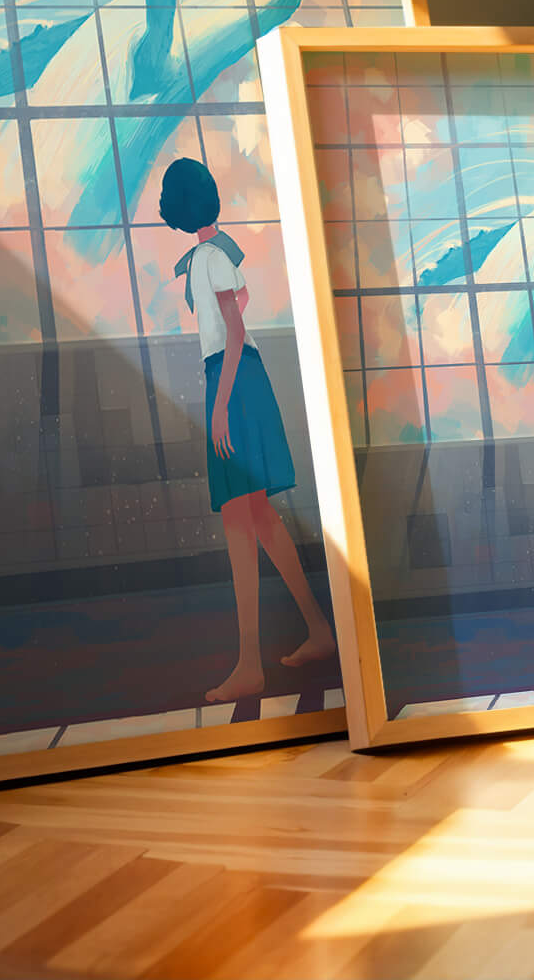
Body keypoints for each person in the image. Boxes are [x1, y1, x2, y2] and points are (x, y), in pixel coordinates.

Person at [160, 157, 335, 702]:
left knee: (240, 518)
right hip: (242, 380)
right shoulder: (215, 256)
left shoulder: (208, 259)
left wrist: (217, 408)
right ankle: (320, 630)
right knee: (257, 514)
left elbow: (232, 335)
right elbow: (241, 310)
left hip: (232, 382)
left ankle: (249, 665)